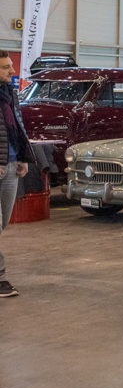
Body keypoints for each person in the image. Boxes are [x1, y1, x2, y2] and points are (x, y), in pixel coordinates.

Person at [0, 50, 34, 298]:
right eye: (5, 67)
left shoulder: (9, 94)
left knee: (2, 223)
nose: (12, 71)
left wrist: (22, 157)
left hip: (11, 166)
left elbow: (18, 126)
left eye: (10, 66)